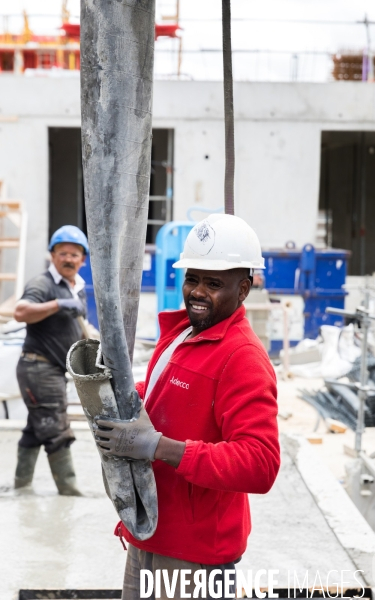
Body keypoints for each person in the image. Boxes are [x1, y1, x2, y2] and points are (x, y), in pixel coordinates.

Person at [95, 214, 280, 599]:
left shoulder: (241, 358)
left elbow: (260, 463)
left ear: (243, 289)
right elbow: (165, 392)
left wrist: (158, 447)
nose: (198, 292)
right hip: (149, 534)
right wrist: (120, 398)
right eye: (192, 278)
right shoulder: (183, 333)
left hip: (194, 560)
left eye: (214, 283)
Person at [13, 225, 89, 496]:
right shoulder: (43, 284)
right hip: (39, 367)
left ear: (83, 259)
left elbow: (81, 329)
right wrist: (58, 304)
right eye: (63, 253)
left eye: (75, 254)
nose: (69, 259)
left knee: (36, 429)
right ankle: (70, 495)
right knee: (56, 431)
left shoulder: (77, 287)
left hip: (54, 369)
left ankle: (20, 489)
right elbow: (20, 311)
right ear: (52, 256)